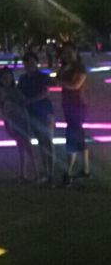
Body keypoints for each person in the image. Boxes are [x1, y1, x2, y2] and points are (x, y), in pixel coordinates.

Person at [18, 51, 55, 187]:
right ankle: (45, 172)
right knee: (41, 143)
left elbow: (45, 93)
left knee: (48, 143)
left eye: (32, 62)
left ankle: (50, 174)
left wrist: (30, 101)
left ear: (36, 63)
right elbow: (19, 93)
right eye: (27, 62)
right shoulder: (23, 79)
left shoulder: (42, 76)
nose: (29, 65)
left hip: (45, 113)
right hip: (31, 114)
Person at [0, 67, 37, 182]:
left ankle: (36, 172)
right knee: (20, 146)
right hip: (10, 120)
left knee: (27, 146)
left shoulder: (16, 90)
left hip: (21, 119)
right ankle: (23, 173)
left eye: (8, 77)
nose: (6, 80)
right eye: (4, 78)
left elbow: (22, 103)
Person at [57, 43, 90, 186]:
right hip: (68, 105)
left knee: (72, 137)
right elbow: (58, 78)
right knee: (78, 136)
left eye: (69, 52)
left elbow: (76, 85)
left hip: (78, 105)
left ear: (76, 52)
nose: (67, 55)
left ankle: (68, 172)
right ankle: (86, 170)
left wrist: (60, 82)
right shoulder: (65, 66)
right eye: (65, 53)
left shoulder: (79, 67)